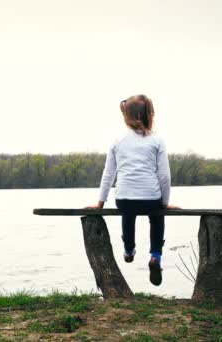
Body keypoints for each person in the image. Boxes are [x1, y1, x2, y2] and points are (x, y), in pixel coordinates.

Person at [86, 94, 179, 286]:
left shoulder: (117, 140)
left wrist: (100, 202)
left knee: (127, 214)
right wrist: (164, 203)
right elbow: (164, 176)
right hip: (152, 198)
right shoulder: (157, 140)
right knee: (156, 218)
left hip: (125, 198)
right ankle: (155, 256)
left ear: (126, 116)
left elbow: (108, 174)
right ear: (149, 115)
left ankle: (129, 250)